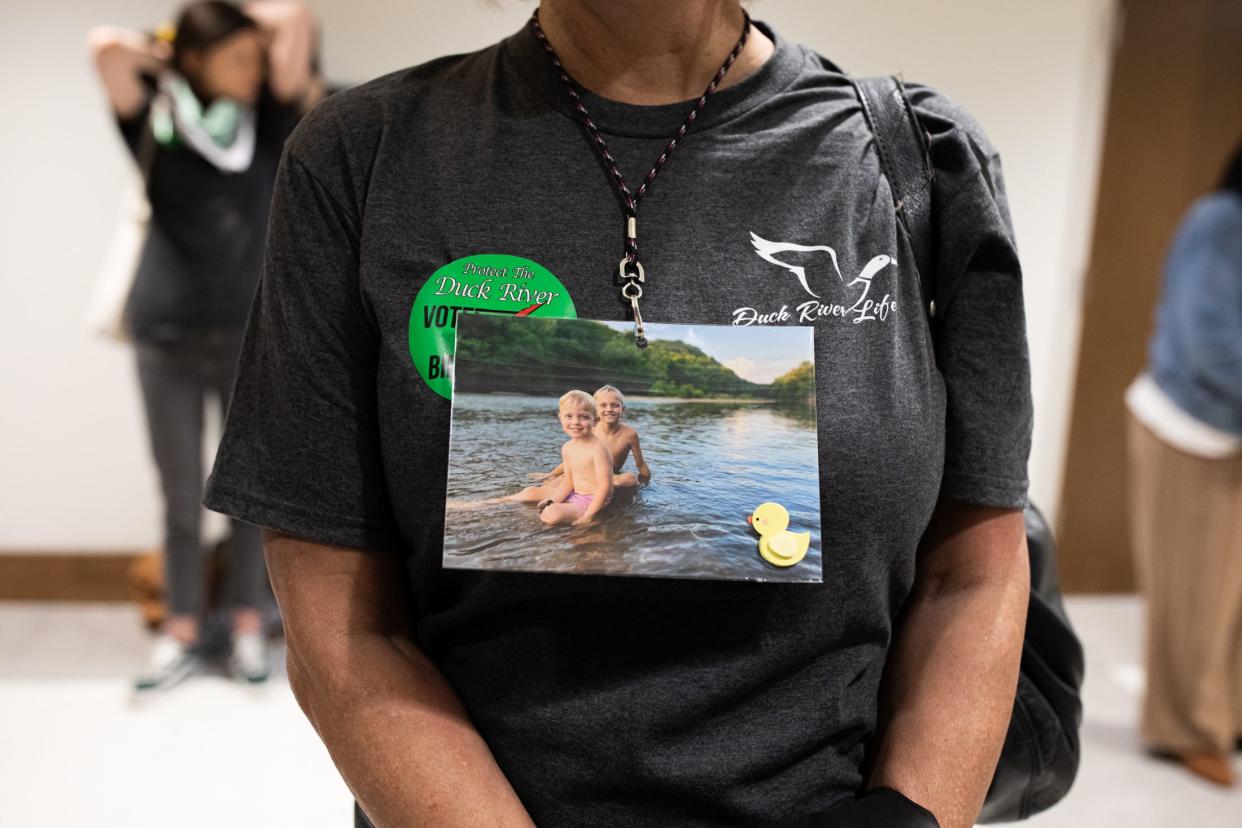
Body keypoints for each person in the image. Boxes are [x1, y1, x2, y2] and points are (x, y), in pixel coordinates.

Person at [203, 1, 1032, 825]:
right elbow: (343, 628)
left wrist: (909, 816)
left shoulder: (919, 163)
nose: (594, 408)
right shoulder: (363, 156)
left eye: (601, 401)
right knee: (521, 502)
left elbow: (975, 571)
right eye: (586, 403)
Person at [88, 0, 324, 691]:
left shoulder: (269, 122)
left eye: (256, 57)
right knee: (179, 492)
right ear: (196, 60)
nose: (254, 69)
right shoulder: (154, 121)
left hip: (250, 332)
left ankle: (249, 622)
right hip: (163, 330)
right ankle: (183, 629)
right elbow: (104, 48)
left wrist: (243, 26)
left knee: (248, 494)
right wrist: (173, 49)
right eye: (237, 58)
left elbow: (296, 17)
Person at [1123, 139, 1242, 788]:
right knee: (1194, 594)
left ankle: (1225, 713)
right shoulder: (1220, 222)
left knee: (1231, 595)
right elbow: (1212, 345)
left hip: (1233, 428)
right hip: (1191, 427)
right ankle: (1186, 729)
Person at [511, 383, 650, 502]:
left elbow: (640, 464)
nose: (609, 409)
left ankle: (587, 490)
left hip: (609, 476)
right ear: (595, 411)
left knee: (629, 479)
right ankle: (551, 494)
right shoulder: (590, 430)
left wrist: (647, 484)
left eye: (615, 405)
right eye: (603, 405)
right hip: (584, 473)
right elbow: (573, 458)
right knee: (549, 483)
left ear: (623, 409)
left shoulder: (629, 434)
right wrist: (551, 473)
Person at [535, 390, 615, 526]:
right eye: (569, 416)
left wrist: (589, 515)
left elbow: (604, 486)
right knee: (543, 506)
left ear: (595, 420)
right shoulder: (567, 447)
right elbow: (568, 482)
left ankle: (593, 521)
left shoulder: (598, 448)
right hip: (577, 496)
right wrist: (553, 500)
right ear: (560, 418)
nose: (575, 422)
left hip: (595, 499)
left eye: (583, 417)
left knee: (551, 514)